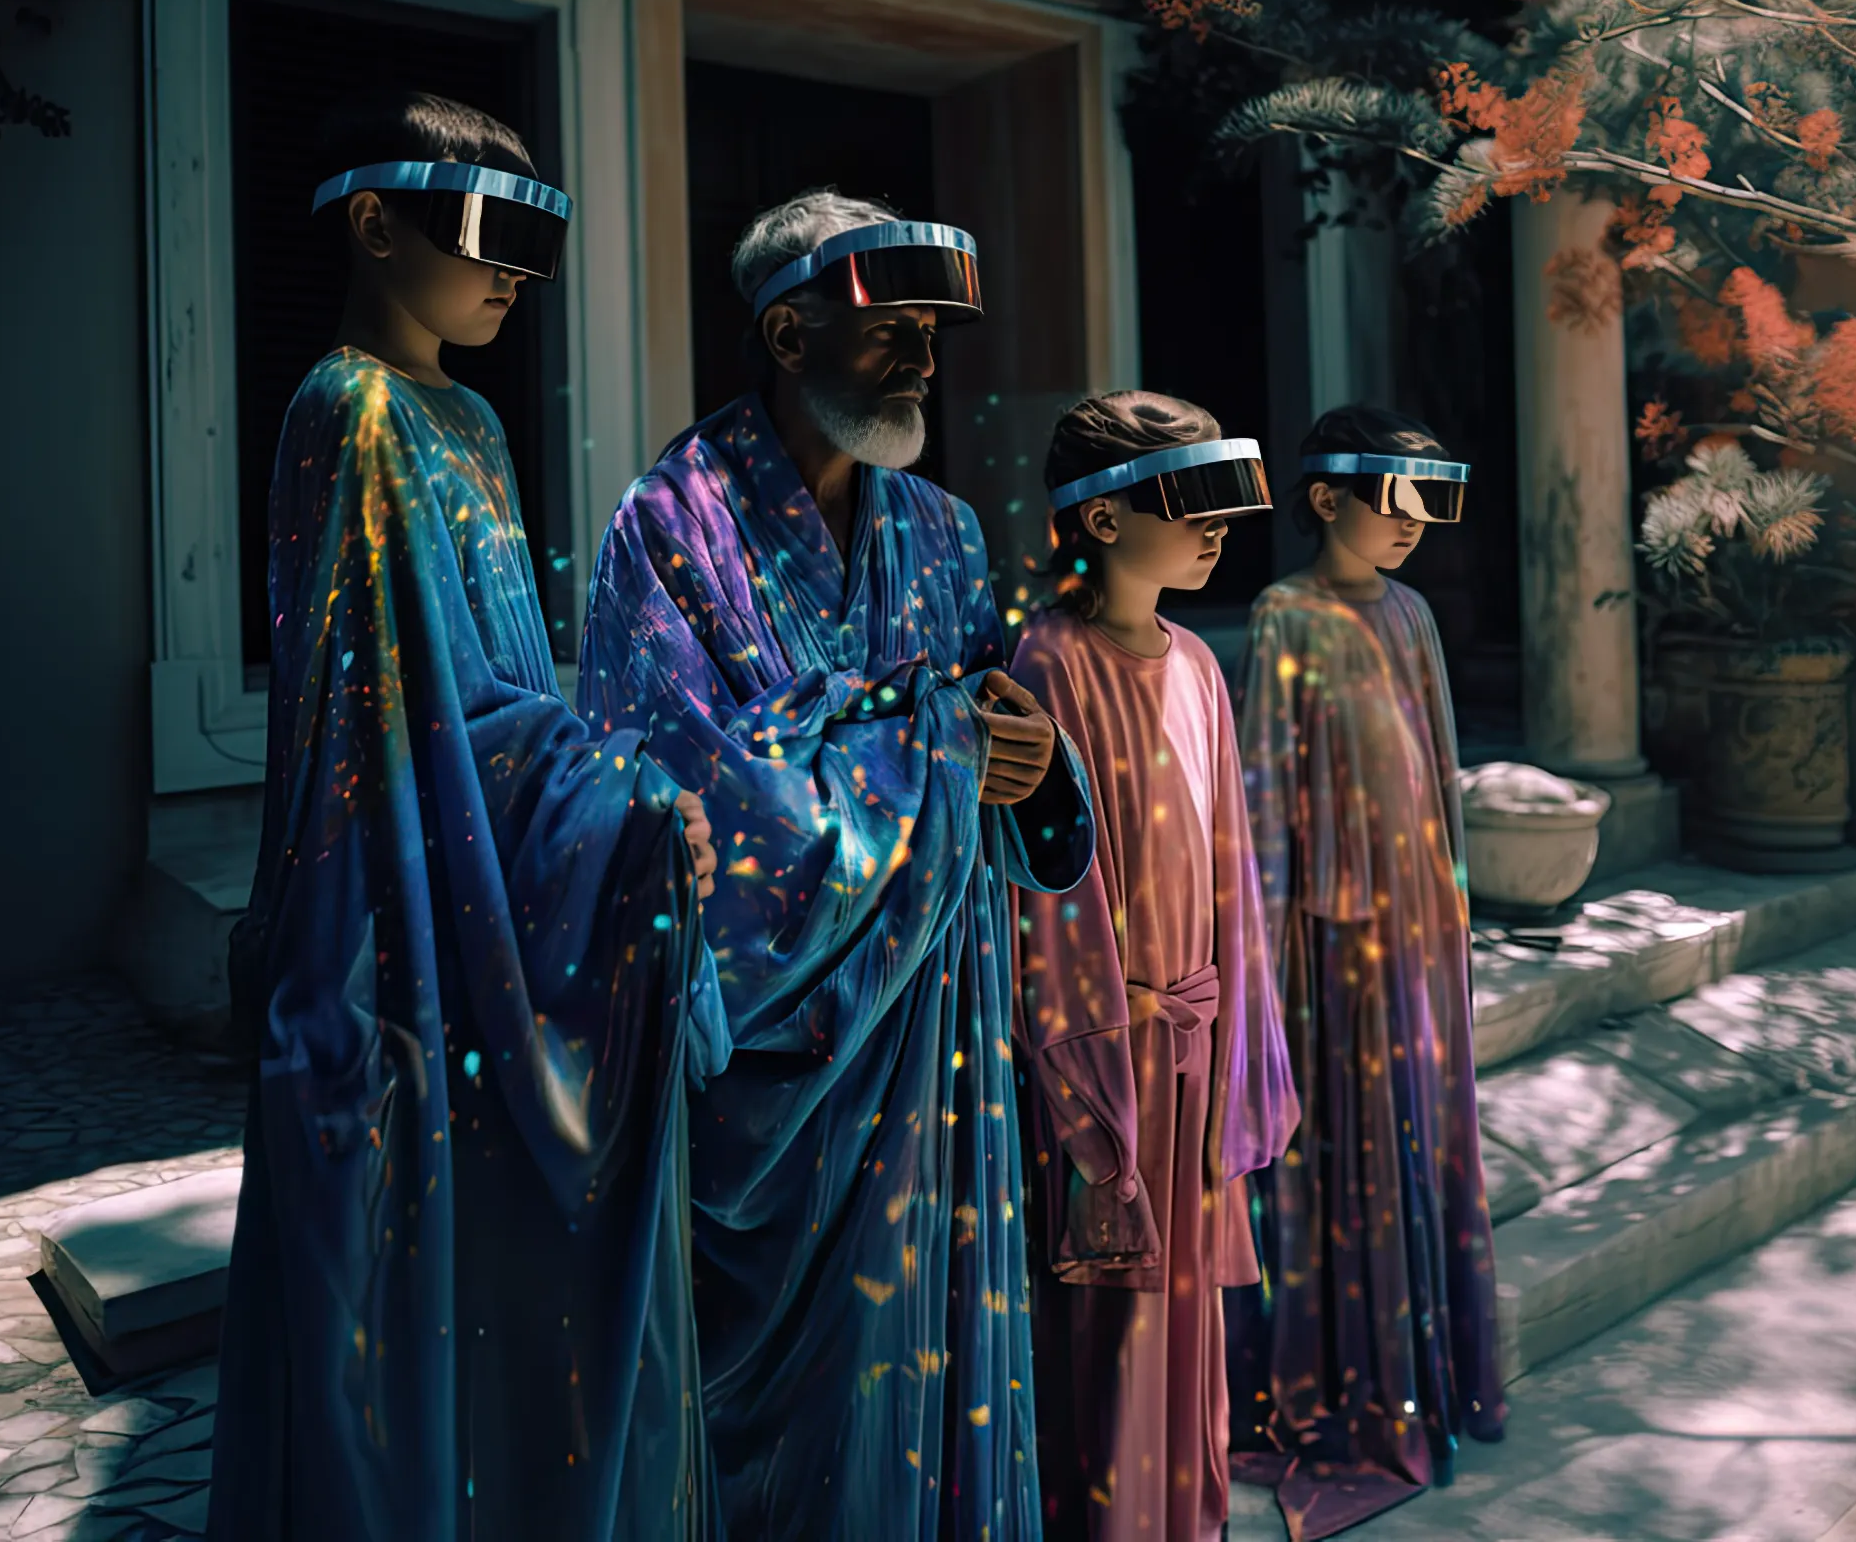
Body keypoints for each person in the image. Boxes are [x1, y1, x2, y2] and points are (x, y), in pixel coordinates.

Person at [208, 90, 725, 1542]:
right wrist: (619, 792)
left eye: (533, 248)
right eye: (484, 236)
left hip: (488, 870)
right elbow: (405, 715)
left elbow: (498, 680)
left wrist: (613, 799)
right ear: (375, 224)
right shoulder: (351, 408)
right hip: (398, 906)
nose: (512, 276)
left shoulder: (472, 420)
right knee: (411, 1290)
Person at [577, 189, 1093, 1538]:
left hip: (933, 1031)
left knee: (926, 1344)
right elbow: (663, 788)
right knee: (777, 1413)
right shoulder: (669, 522)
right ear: (790, 332)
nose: (924, 358)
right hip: (775, 1057)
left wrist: (1030, 757)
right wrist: (924, 749)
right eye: (891, 332)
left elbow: (988, 720)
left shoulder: (946, 531)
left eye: (932, 331)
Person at [1006, 392, 1299, 1542]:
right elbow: (1044, 890)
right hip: (1110, 1070)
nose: (1219, 526)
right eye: (1191, 500)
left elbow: (1234, 880)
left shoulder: (1201, 666)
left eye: (1227, 503)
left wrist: (1239, 1054)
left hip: (1193, 1047)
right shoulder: (1050, 660)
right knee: (1113, 1341)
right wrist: (1100, 1067)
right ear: (1106, 517)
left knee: (1189, 1342)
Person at [1230, 404, 1505, 1541]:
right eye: (1386, 497)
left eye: (1422, 500)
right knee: (1344, 1150)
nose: (1408, 524)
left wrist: (1454, 912)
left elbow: (1441, 777)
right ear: (1323, 498)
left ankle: (1421, 1378)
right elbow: (1266, 793)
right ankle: (1338, 1386)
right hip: (1329, 945)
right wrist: (1267, 953)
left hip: (1417, 930)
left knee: (1420, 1143)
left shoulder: (1415, 613)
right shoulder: (1283, 613)